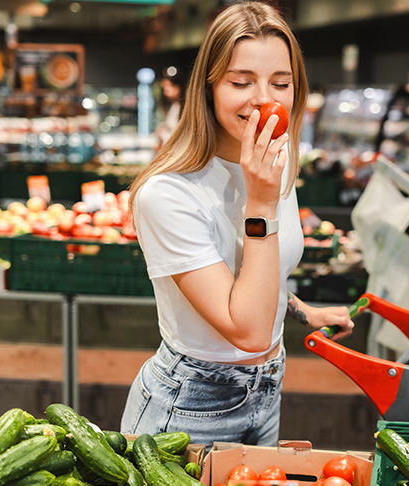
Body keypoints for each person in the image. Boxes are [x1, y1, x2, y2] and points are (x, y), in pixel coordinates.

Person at [120, 1, 354, 448]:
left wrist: (302, 310)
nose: (265, 99)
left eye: (281, 83)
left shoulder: (276, 164)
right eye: (241, 82)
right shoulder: (168, 194)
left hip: (267, 390)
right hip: (190, 406)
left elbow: (249, 277)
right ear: (208, 88)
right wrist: (261, 204)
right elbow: (245, 330)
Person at [154, 65, 186, 145]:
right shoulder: (172, 105)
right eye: (164, 88)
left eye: (169, 86)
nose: (166, 92)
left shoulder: (187, 107)